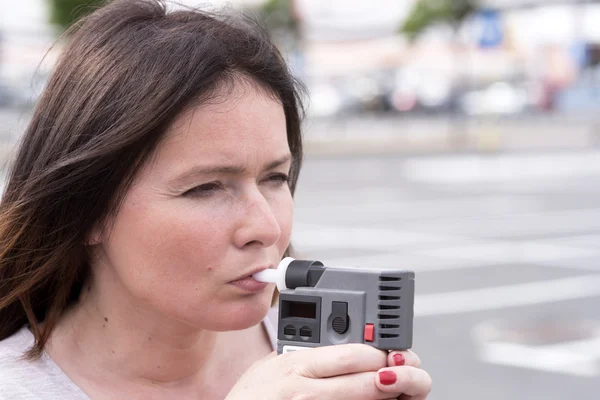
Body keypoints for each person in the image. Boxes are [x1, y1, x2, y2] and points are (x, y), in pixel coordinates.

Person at [0, 1, 432, 399]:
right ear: (86, 208)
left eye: (275, 177)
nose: (266, 227)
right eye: (206, 187)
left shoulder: (323, 362)